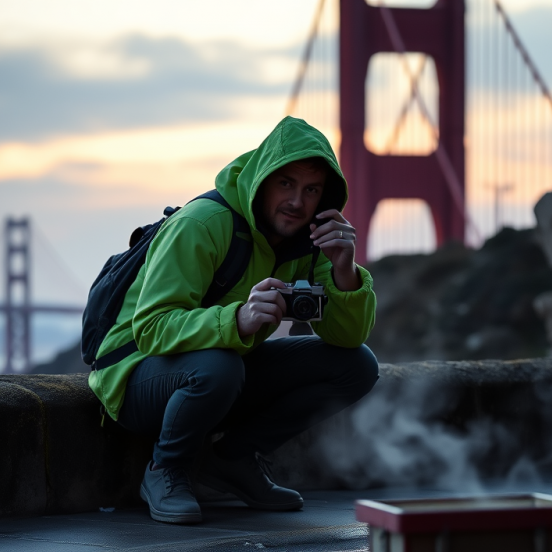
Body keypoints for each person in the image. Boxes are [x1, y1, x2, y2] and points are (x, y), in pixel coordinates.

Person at [88, 116, 378, 524]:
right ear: (261, 180)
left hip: (220, 367)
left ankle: (231, 459)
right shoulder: (202, 224)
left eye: (311, 190)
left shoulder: (311, 243)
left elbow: (347, 338)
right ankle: (165, 470)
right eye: (285, 184)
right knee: (219, 366)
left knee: (357, 366)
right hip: (135, 374)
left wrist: (345, 273)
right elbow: (151, 328)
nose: (297, 201)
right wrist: (237, 319)